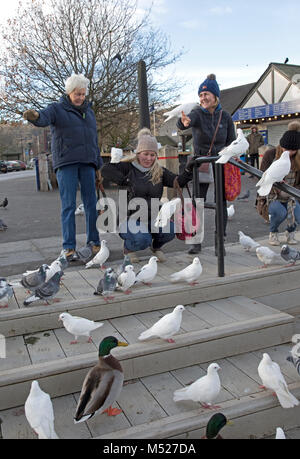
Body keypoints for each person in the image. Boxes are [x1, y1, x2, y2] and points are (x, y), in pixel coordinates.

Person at [23, 74, 102, 261]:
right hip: (66, 163)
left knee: (91, 205)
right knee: (69, 205)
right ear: (69, 92)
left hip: (88, 163)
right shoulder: (57, 109)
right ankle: (69, 247)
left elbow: (93, 141)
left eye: (83, 94)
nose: (80, 97)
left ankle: (94, 242)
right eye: (77, 94)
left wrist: (98, 165)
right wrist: (35, 117)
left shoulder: (89, 113)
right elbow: (43, 117)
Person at [100, 128, 193, 263]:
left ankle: (156, 247)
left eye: (152, 155)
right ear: (138, 153)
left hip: (153, 218)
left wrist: (188, 169)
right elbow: (105, 169)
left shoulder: (159, 171)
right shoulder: (128, 167)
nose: (149, 158)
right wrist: (124, 180)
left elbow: (178, 182)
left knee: (171, 229)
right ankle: (128, 248)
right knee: (143, 239)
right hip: (130, 219)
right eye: (145, 154)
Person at [176, 74, 236, 254]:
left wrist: (233, 153)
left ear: (215, 96)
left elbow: (231, 141)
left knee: (221, 201)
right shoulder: (197, 113)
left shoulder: (225, 116)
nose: (203, 98)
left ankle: (220, 241)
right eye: (201, 95)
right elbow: (186, 122)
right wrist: (183, 122)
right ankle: (196, 241)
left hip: (220, 162)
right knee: (197, 202)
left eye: (206, 94)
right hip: (201, 162)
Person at [265, 126, 300, 246]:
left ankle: (290, 232)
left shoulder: (298, 160)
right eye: (286, 148)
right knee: (280, 213)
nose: (289, 152)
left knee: (298, 215)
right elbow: (262, 176)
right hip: (273, 196)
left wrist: (292, 191)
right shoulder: (270, 155)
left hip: (291, 196)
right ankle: (273, 233)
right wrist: (277, 189)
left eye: (293, 150)